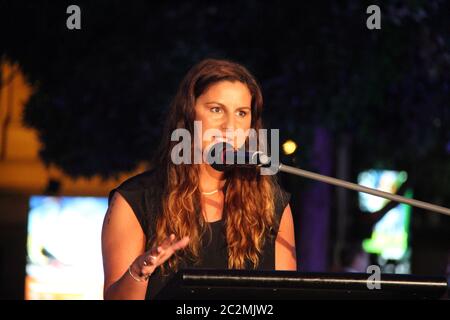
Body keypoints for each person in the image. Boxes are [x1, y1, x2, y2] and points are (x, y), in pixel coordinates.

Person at [101, 58, 297, 300]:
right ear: (188, 113)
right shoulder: (136, 200)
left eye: (242, 113)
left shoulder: (272, 204)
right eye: (216, 109)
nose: (230, 126)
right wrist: (138, 272)